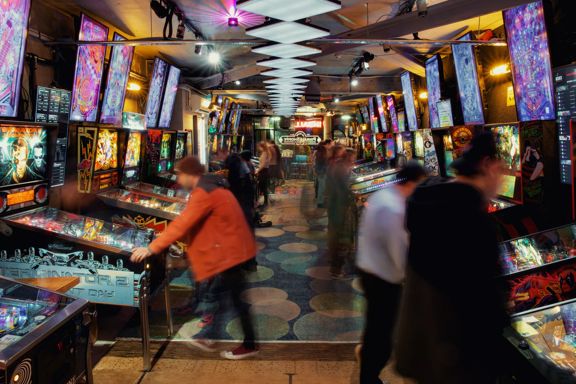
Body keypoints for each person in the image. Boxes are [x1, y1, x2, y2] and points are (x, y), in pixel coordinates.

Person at [395, 133, 509, 384]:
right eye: (502, 170)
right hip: (453, 356)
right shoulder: (471, 218)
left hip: (419, 343)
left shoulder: (428, 198)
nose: (503, 179)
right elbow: (480, 298)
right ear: (487, 164)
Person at [131, 156, 259, 360]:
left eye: (180, 175)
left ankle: (247, 343)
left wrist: (152, 248)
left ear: (190, 174)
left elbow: (183, 222)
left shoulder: (203, 192)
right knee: (224, 295)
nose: (179, 180)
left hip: (230, 251)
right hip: (232, 248)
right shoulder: (212, 185)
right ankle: (212, 336)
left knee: (233, 298)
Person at [356, 162, 427, 384]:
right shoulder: (394, 208)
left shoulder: (382, 195)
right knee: (382, 334)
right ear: (412, 182)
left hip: (369, 269)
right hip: (383, 278)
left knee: (376, 328)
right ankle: (369, 376)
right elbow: (399, 251)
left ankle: (368, 369)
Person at [326, 145, 355, 278]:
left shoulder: (336, 166)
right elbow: (346, 188)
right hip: (339, 206)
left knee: (336, 235)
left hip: (334, 205)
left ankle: (336, 264)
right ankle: (336, 268)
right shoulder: (341, 168)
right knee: (340, 237)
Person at [256, 141, 271, 208]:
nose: (258, 148)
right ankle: (265, 201)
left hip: (263, 171)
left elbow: (263, 164)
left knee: (261, 186)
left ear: (262, 147)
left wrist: (257, 170)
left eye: (259, 147)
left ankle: (263, 202)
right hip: (265, 170)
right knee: (264, 186)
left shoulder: (265, 153)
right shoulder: (267, 153)